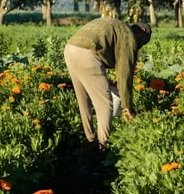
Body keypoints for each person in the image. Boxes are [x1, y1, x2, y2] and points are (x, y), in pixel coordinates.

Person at [63, 17, 152, 154]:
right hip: (89, 54)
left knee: (84, 101)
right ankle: (102, 148)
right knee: (105, 104)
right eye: (141, 43)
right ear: (143, 31)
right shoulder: (129, 37)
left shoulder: (117, 25)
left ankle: (90, 140)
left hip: (70, 48)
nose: (139, 46)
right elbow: (124, 74)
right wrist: (126, 106)